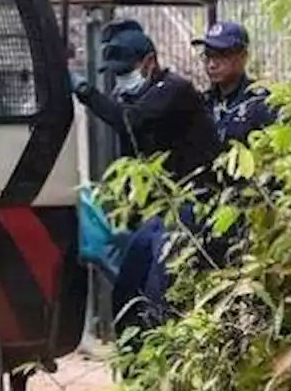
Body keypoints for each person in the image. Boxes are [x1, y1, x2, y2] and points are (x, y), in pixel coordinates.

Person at [70, 18, 222, 335]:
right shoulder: (133, 96)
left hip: (189, 205)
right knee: (127, 291)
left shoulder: (174, 90)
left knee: (158, 293)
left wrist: (85, 91)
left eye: (126, 72)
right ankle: (133, 367)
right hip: (157, 213)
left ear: (149, 62)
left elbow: (133, 121)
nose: (122, 80)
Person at [193, 20, 276, 147]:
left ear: (243, 57)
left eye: (221, 55)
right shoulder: (202, 103)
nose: (212, 64)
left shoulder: (260, 102)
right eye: (208, 56)